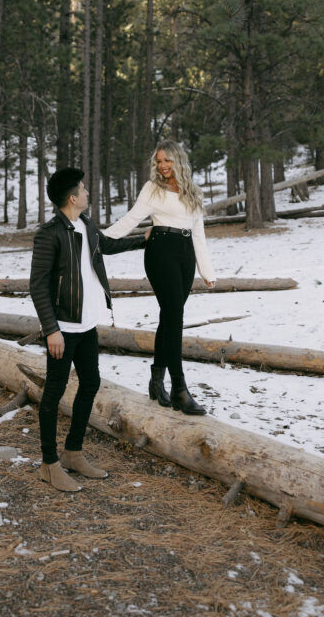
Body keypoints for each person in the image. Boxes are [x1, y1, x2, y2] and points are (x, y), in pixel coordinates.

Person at [29, 167, 146, 492]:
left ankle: (73, 452)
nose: (87, 192)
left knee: (90, 382)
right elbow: (37, 285)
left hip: (87, 325)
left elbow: (106, 245)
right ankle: (49, 464)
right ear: (72, 198)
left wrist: (143, 241)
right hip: (63, 329)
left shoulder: (86, 224)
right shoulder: (49, 233)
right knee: (53, 392)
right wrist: (51, 329)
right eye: (82, 189)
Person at [105, 139, 215, 416]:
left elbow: (198, 232)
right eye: (158, 161)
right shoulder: (152, 189)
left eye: (167, 160)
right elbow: (131, 219)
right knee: (175, 317)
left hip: (185, 254)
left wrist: (206, 270)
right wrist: (100, 238)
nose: (162, 166)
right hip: (160, 251)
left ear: (178, 161)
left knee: (169, 318)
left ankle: (156, 381)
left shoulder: (194, 192)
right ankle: (179, 389)